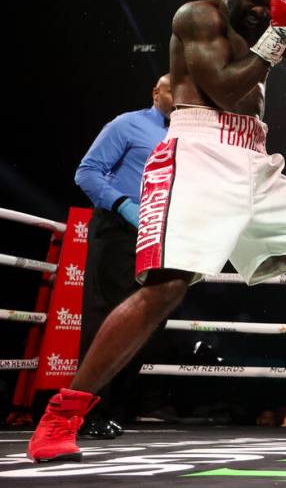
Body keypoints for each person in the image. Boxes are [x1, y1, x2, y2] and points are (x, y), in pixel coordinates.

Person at [27, 0, 286, 463]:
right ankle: (63, 415)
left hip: (254, 154)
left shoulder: (269, 21)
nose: (262, 10)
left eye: (273, 3)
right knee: (166, 288)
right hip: (199, 150)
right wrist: (281, 31)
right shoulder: (196, 15)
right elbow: (222, 87)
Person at [73, 74, 173, 438]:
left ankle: (117, 410)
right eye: (171, 87)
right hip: (119, 228)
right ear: (155, 92)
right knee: (107, 315)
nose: (178, 95)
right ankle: (85, 411)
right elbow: (86, 172)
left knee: (147, 321)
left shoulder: (188, 139)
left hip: (162, 234)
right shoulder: (127, 123)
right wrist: (123, 205)